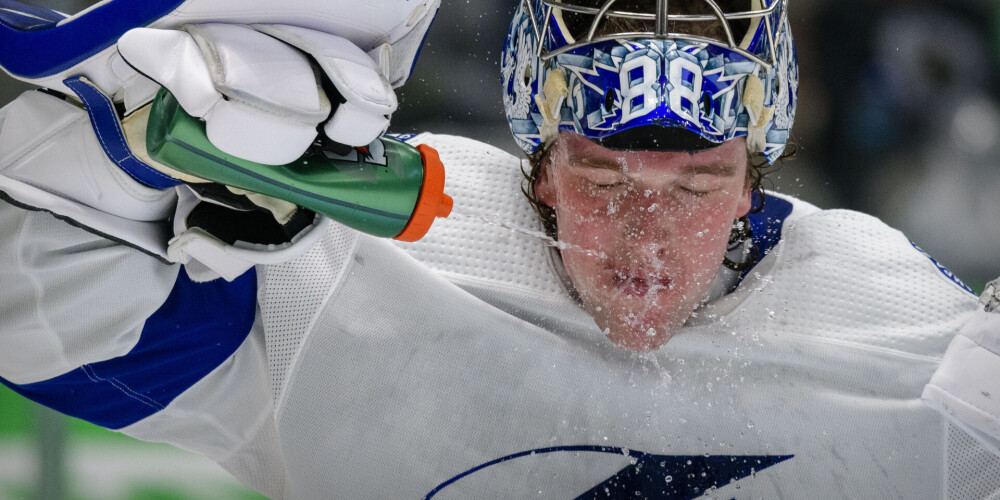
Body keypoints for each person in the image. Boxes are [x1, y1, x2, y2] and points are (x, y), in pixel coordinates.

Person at [1, 0, 999, 498]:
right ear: (536, 160)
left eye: (694, 183)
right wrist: (131, 151)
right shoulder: (360, 263)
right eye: (604, 176)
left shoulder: (911, 331)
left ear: (754, 175)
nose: (644, 230)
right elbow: (33, 306)